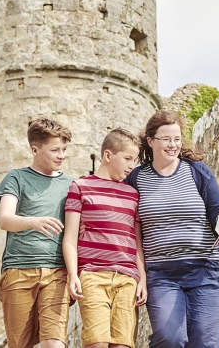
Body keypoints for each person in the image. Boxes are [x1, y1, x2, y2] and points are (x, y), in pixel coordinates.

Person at [125, 110, 219, 348]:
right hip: (162, 274)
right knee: (169, 339)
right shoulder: (136, 179)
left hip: (207, 268)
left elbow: (217, 212)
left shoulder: (197, 171)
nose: (173, 145)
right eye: (166, 139)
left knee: (207, 343)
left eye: (177, 139)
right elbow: (124, 220)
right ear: (150, 141)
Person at [0, 117, 75, 348]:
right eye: (55, 150)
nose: (62, 155)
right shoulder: (16, 178)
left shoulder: (73, 185)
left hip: (57, 271)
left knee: (55, 343)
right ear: (35, 149)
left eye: (64, 149)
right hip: (18, 271)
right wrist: (33, 221)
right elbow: (5, 219)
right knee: (20, 345)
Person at [62, 128, 147, 348]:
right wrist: (73, 275)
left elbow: (136, 242)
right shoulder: (80, 187)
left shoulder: (133, 194)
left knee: (122, 345)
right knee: (96, 343)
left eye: (134, 160)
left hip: (127, 279)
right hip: (93, 276)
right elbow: (70, 238)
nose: (131, 165)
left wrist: (142, 279)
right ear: (108, 155)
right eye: (127, 158)